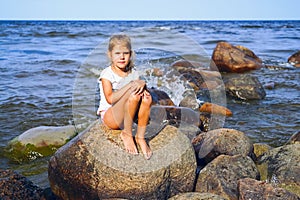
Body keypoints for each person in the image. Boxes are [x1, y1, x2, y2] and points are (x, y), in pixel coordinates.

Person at [97, 34, 153, 160]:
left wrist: (143, 85)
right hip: (110, 116)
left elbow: (138, 91)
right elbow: (110, 99)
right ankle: (126, 134)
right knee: (132, 94)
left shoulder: (133, 72)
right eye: (117, 53)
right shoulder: (107, 74)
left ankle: (140, 137)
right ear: (110, 54)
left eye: (125, 53)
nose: (122, 57)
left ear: (131, 54)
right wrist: (130, 85)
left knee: (146, 97)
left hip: (128, 114)